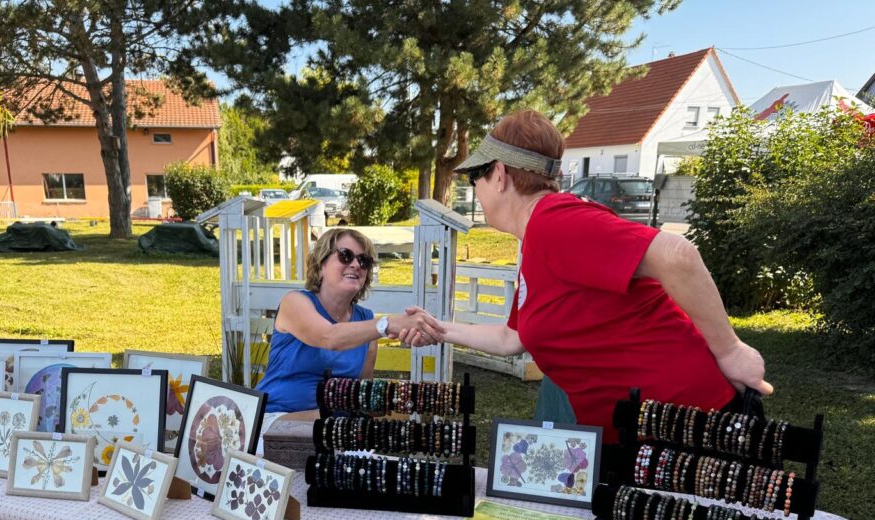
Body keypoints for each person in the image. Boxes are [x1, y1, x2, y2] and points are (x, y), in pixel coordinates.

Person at [402, 110, 772, 442]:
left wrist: (730, 350)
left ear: (499, 175)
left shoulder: (555, 222)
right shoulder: (538, 238)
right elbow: (511, 338)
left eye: (475, 178)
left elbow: (678, 255)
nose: (475, 190)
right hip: (642, 431)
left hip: (687, 428)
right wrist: (438, 329)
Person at [256, 228, 444, 429]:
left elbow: (363, 397)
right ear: (321, 265)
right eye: (345, 256)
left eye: (364, 261)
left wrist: (412, 398)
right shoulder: (295, 302)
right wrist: (388, 323)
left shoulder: (366, 322)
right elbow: (329, 337)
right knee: (337, 426)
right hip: (275, 419)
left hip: (334, 429)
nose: (356, 265)